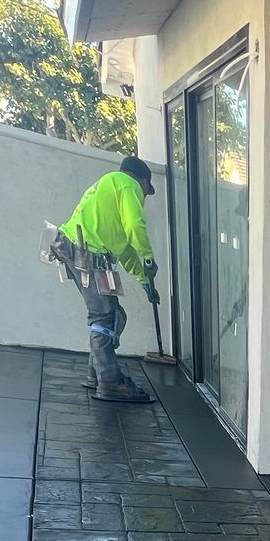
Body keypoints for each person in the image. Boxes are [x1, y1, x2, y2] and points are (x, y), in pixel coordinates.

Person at [54, 155, 161, 403]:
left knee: (113, 315)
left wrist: (144, 280)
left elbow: (124, 250)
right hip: (86, 252)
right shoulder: (127, 184)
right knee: (105, 317)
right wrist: (148, 258)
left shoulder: (109, 188)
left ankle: (97, 373)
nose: (144, 196)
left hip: (72, 248)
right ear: (143, 181)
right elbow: (135, 226)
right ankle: (110, 382)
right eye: (146, 190)